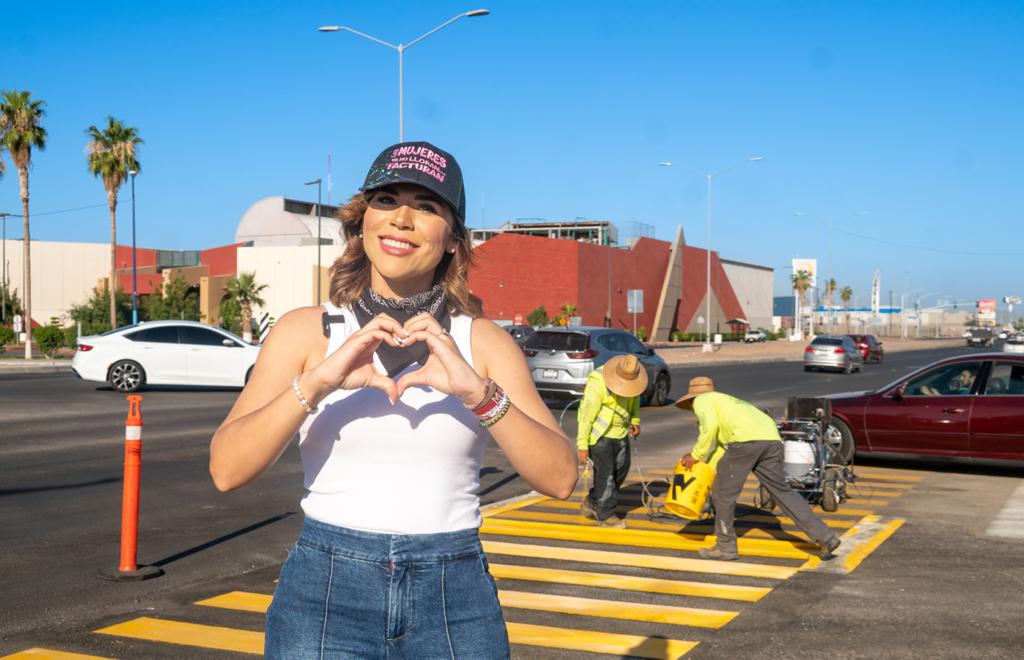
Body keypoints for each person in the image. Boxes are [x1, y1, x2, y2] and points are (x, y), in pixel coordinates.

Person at [209, 140, 578, 659]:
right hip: (325, 590)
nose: (402, 217)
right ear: (362, 225)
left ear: (453, 239)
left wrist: (479, 394)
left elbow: (561, 478)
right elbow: (227, 469)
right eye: (386, 200)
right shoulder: (306, 331)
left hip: (454, 596)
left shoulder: (482, 342)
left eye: (426, 207)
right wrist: (315, 383)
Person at [676, 376, 841, 561]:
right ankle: (826, 537)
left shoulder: (701, 400)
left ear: (691, 398)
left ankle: (725, 547)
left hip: (744, 444)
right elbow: (721, 448)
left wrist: (695, 455)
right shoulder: (728, 401)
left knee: (723, 495)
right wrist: (706, 469)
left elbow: (709, 428)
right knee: (782, 492)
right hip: (772, 442)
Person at [576, 354, 646, 528]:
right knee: (606, 475)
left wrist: (635, 420)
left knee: (621, 469)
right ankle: (605, 514)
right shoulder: (598, 383)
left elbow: (634, 400)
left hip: (620, 433)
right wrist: (582, 446)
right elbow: (585, 416)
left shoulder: (634, 380)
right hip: (600, 436)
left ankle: (593, 501)